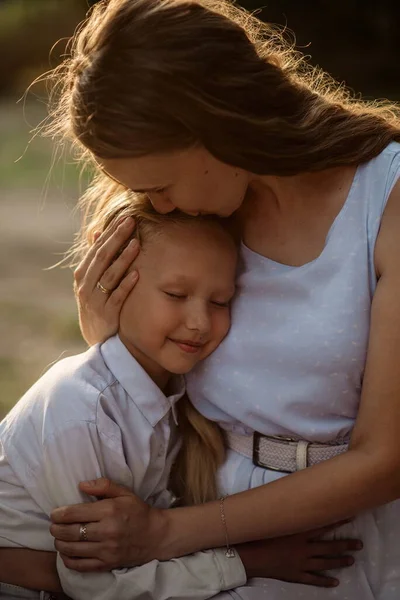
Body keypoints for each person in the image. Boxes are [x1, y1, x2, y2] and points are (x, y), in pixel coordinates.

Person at [3, 0, 400, 597]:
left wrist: (166, 533)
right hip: (202, 530)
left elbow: (385, 459)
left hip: (346, 538)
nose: (156, 207)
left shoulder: (384, 201)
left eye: (158, 186)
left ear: (216, 125)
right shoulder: (191, 224)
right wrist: (111, 341)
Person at [0, 197, 357, 600]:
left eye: (220, 302)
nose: (200, 323)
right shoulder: (81, 412)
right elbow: (94, 583)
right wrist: (248, 561)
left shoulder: (168, 396)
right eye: (175, 294)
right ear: (114, 281)